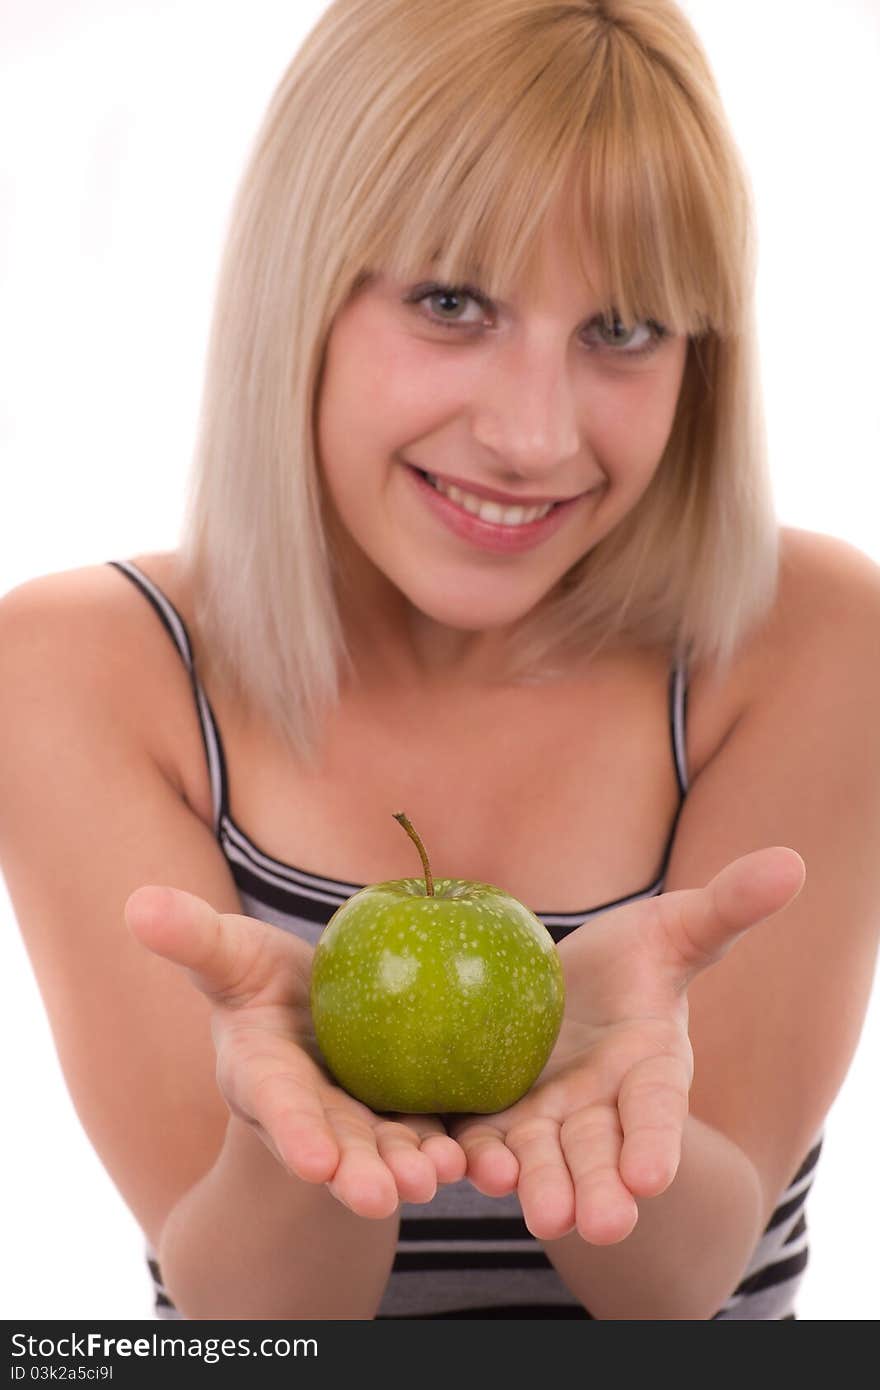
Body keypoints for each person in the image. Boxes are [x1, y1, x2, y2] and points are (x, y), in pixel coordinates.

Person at [1, 0, 878, 1322]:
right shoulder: (81, 671)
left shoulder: (806, 636)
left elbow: (686, 1285)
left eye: (625, 329)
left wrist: (606, 1119)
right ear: (300, 290)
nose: (532, 436)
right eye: (453, 301)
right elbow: (253, 1326)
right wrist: (295, 1136)